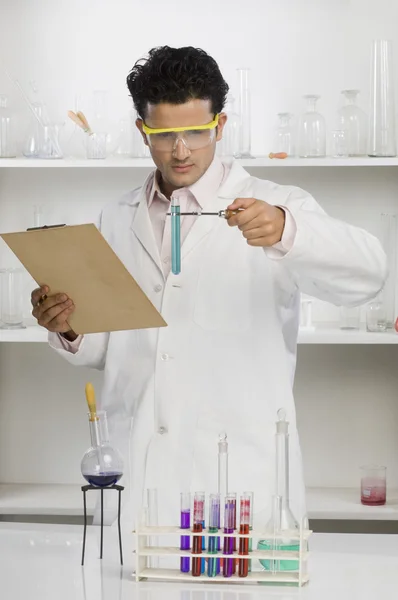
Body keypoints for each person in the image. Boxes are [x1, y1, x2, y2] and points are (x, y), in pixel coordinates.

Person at [31, 46, 387, 529]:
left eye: (198, 132)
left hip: (244, 481)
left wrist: (286, 230)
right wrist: (68, 326)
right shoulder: (115, 219)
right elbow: (114, 346)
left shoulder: (278, 204)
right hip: (144, 480)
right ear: (142, 131)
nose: (182, 150)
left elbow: (368, 275)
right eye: (165, 134)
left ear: (219, 125)